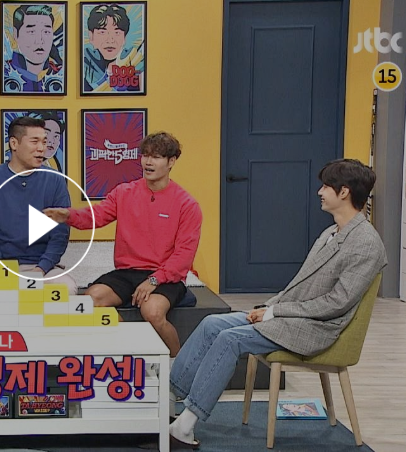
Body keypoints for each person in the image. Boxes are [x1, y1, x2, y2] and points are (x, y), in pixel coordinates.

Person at [165, 159, 386, 449]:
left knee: (230, 339)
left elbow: (337, 303)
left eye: (326, 186)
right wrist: (267, 308)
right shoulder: (332, 232)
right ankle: (168, 400)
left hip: (318, 328)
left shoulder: (366, 243)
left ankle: (185, 425)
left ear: (343, 192)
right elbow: (299, 286)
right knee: (211, 324)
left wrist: (275, 312)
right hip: (293, 316)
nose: (319, 192)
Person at [45, 132, 202, 358]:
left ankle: (178, 364)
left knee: (152, 311)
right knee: (90, 301)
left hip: (165, 276)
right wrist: (68, 215)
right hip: (127, 272)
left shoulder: (187, 204)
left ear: (171, 162)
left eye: (156, 157)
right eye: (145, 155)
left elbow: (184, 255)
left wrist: (154, 280)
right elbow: (96, 216)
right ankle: (133, 351)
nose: (148, 162)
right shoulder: (124, 192)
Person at [0, 116, 77, 323]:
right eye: (34, 141)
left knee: (67, 287)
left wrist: (40, 269)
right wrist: (2, 269)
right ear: (14, 143)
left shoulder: (55, 180)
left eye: (44, 142)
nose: (42, 148)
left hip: (42, 267)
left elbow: (60, 235)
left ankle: (45, 344)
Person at [83, 4, 143, 92]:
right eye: (102, 32)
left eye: (117, 32)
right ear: (91, 36)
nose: (110, 40)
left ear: (124, 38)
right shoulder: (85, 65)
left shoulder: (137, 63)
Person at [3, 5, 63, 93]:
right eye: (32, 32)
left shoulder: (60, 74)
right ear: (16, 34)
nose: (39, 40)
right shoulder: (4, 74)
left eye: (46, 32)